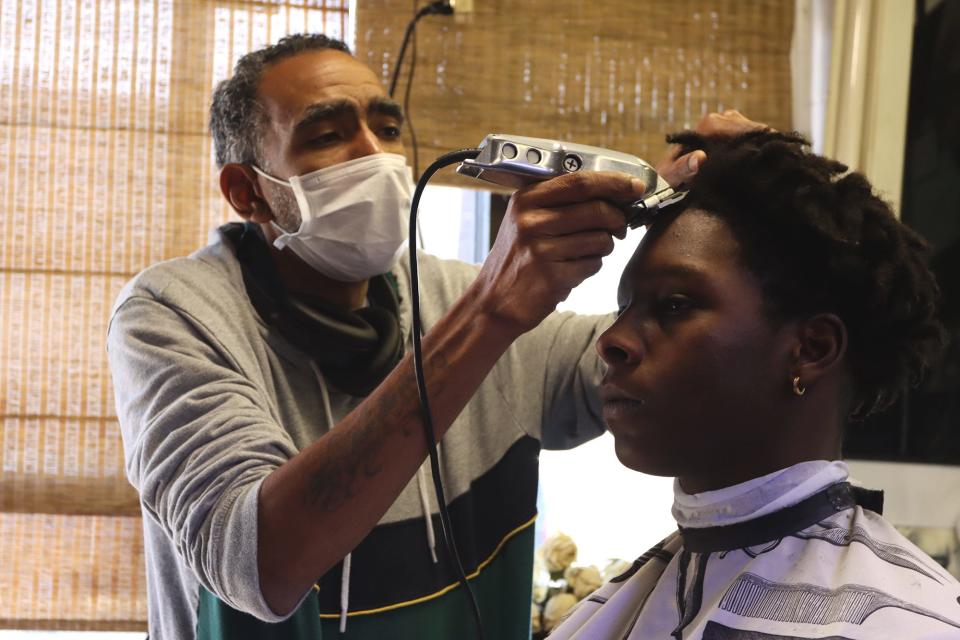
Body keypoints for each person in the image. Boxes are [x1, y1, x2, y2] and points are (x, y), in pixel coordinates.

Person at [107, 33, 731, 639]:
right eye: (327, 135)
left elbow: (662, 372)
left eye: (385, 128)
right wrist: (486, 314)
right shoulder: (172, 316)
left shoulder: (461, 299)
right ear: (250, 192)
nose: (374, 154)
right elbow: (257, 565)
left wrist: (744, 208)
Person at [548, 129, 960, 639]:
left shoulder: (905, 625)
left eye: (674, 306)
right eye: (624, 307)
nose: (610, 340)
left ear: (811, 349)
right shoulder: (602, 613)